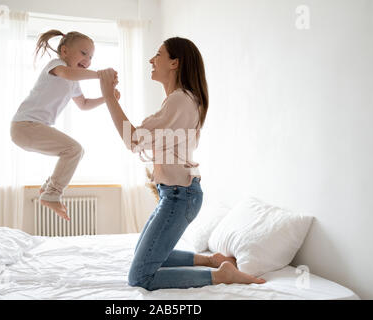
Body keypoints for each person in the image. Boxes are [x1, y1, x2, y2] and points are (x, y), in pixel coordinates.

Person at [98, 37, 266, 290]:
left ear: (175, 63)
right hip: (175, 194)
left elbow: (133, 140)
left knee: (140, 277)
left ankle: (221, 276)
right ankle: (212, 260)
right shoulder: (179, 100)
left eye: (158, 54)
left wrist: (109, 97)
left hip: (180, 196)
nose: (151, 60)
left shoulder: (180, 100)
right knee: (142, 254)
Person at [11, 29, 118, 220]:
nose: (88, 59)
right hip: (24, 126)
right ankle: (51, 193)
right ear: (65, 51)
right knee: (73, 150)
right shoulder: (56, 66)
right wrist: (101, 75)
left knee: (74, 151)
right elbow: (69, 73)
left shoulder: (73, 81)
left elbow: (84, 105)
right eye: (83, 53)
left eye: (91, 56)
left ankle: (49, 189)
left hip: (31, 128)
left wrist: (107, 97)